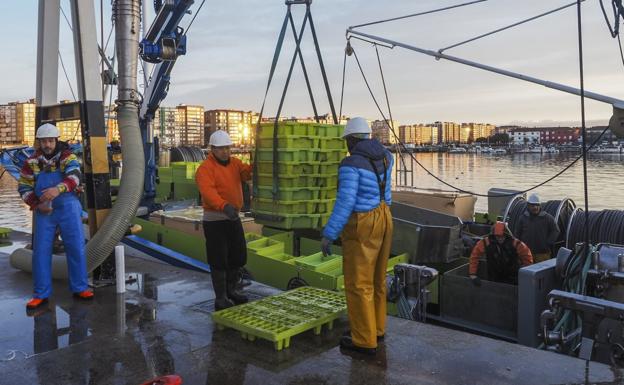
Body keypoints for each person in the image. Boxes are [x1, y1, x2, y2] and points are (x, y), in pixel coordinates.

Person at [320, 117, 393, 355]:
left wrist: (330, 233)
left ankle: (363, 339)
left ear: (351, 139)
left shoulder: (351, 163)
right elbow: (387, 192)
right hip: (384, 215)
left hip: (363, 222)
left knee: (358, 283)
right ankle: (377, 329)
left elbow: (346, 201)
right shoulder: (385, 156)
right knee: (378, 279)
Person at [18, 123, 93, 310]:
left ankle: (80, 288)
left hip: (68, 208)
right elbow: (24, 188)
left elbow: (75, 176)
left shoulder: (68, 157)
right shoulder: (31, 163)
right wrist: (37, 204)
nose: (47, 144)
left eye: (50, 140)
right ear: (39, 142)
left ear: (56, 140)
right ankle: (40, 294)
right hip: (45, 211)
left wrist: (57, 189)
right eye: (44, 141)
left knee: (76, 247)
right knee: (41, 252)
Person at [195, 130, 252, 310]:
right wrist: (223, 205)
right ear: (212, 149)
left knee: (237, 255)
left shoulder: (235, 164)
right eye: (220, 149)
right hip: (215, 220)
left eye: (227, 148)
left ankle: (231, 291)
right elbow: (208, 192)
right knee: (219, 258)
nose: (225, 152)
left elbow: (247, 174)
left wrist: (258, 163)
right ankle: (220, 297)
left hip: (232, 217)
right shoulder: (205, 169)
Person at [469, 221, 533, 285]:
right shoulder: (486, 242)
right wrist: (472, 274)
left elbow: (527, 257)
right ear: (493, 235)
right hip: (493, 278)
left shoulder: (516, 243)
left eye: (502, 236)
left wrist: (526, 276)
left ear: (506, 234)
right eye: (497, 236)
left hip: (513, 278)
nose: (500, 238)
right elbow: (475, 255)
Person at [515, 193, 560, 263]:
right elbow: (517, 233)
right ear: (528, 205)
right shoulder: (522, 218)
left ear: (540, 205)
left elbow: (556, 230)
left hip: (543, 254)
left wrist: (548, 243)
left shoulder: (547, 217)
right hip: (526, 252)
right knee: (527, 271)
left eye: (537, 205)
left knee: (542, 272)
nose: (535, 207)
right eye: (532, 205)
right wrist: (519, 247)